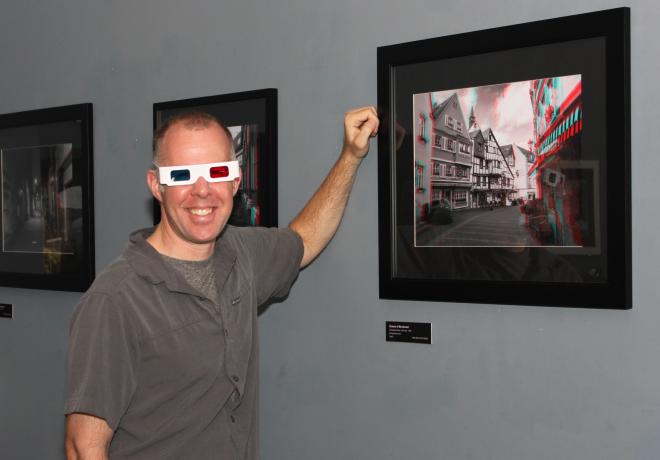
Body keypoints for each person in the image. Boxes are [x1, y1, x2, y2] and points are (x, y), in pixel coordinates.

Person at [64, 107, 379, 459]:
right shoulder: (115, 299)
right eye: (182, 174)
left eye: (216, 172)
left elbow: (304, 238)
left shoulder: (242, 254)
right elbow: (83, 447)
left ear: (235, 181)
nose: (202, 191)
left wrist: (350, 157)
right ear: (157, 185)